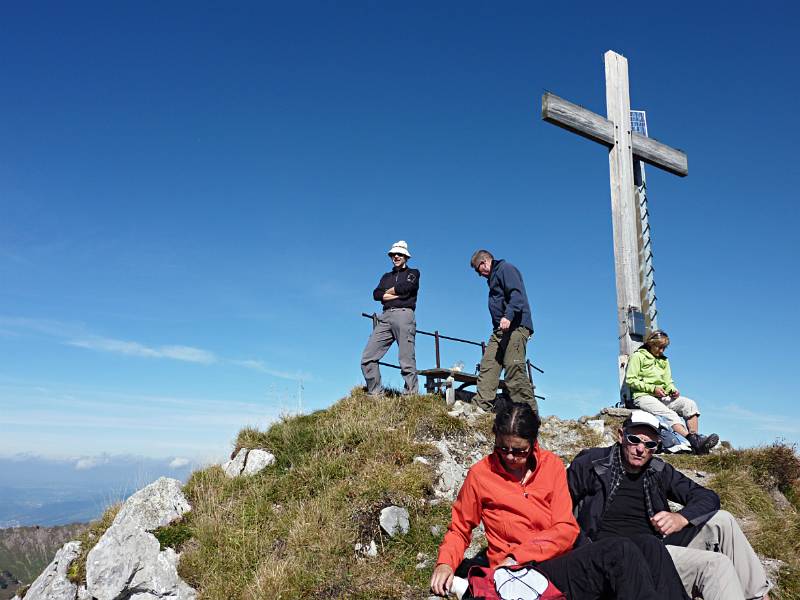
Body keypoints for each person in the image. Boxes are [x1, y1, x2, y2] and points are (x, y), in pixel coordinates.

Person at [430, 403, 689, 600]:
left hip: (556, 563)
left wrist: (520, 554)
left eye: (518, 450)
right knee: (620, 550)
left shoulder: (551, 466)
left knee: (648, 544)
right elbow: (460, 527)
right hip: (515, 572)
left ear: (533, 444)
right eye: (502, 448)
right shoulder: (481, 474)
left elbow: (566, 528)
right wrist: (445, 563)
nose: (509, 457)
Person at [568, 410, 771, 600]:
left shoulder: (658, 470)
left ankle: (758, 595)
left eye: (649, 445)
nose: (640, 449)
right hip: (611, 554)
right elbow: (561, 505)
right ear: (621, 436)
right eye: (634, 439)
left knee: (722, 519)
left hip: (656, 551)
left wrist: (680, 518)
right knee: (715, 565)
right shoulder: (592, 463)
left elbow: (708, 497)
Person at [626, 329, 719, 454]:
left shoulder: (664, 360)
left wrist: (672, 390)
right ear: (651, 344)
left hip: (662, 396)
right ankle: (694, 442)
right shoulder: (638, 356)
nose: (662, 351)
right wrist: (653, 389)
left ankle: (696, 440)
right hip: (642, 396)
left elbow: (668, 381)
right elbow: (631, 380)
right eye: (659, 347)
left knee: (689, 404)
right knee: (670, 414)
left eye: (664, 348)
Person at [470, 250, 536, 412]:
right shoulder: (492, 279)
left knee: (513, 369)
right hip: (500, 331)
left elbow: (516, 294)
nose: (480, 275)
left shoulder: (506, 269)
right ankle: (480, 408)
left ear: (484, 263)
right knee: (488, 364)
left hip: (516, 326)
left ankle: (527, 415)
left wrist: (508, 315)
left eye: (479, 271)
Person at [361, 240, 420, 396]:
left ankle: (410, 396)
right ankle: (375, 394)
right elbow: (376, 294)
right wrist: (394, 294)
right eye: (393, 254)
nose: (396, 256)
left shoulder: (413, 273)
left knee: (406, 359)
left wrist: (387, 294)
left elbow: (406, 288)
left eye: (399, 254)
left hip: (404, 314)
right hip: (385, 316)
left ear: (406, 256)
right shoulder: (386, 276)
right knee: (368, 357)